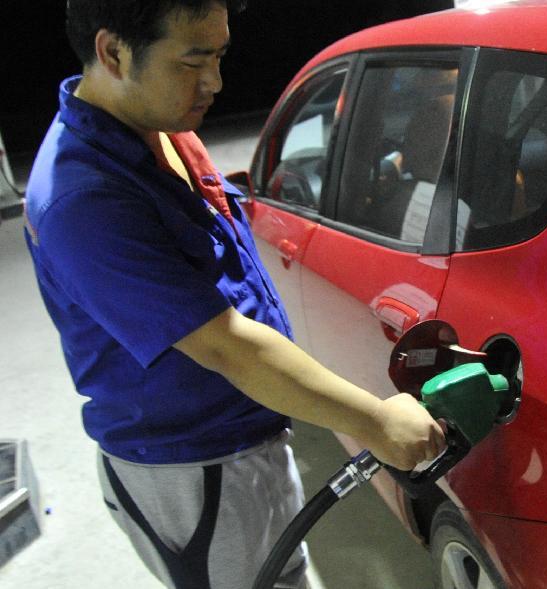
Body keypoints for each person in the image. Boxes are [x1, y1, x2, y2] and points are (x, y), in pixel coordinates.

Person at [23, 1, 446, 588]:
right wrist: (374, 421)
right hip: (192, 467)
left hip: (244, 437)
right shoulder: (85, 199)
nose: (215, 82)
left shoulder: (163, 133)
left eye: (219, 56)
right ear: (113, 52)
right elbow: (226, 345)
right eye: (193, 61)